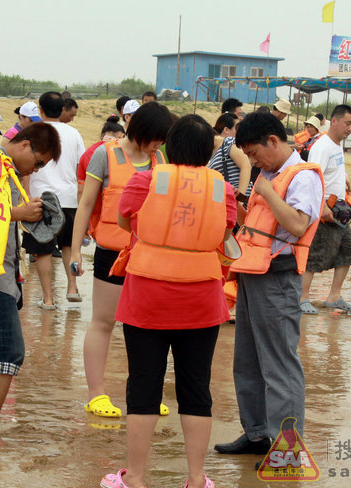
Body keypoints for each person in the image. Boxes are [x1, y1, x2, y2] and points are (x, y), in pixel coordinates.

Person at [101, 114, 235, 488]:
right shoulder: (220, 187)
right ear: (208, 152)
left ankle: (136, 478)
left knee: (143, 385)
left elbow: (125, 221)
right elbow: (226, 231)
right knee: (196, 388)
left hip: (148, 295)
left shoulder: (146, 178)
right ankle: (196, 478)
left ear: (170, 145)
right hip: (202, 297)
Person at [214, 112, 323, 462]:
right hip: (252, 272)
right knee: (246, 361)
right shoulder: (270, 173)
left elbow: (297, 223)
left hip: (278, 277)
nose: (253, 161)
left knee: (279, 364)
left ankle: (289, 450)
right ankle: (258, 433)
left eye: (254, 154)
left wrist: (263, 191)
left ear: (273, 141)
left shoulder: (301, 176)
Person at [71, 102, 173, 419]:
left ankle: (143, 394)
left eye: (162, 139)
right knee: (103, 322)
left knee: (147, 327)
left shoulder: (160, 159)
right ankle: (96, 394)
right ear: (140, 131)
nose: (158, 145)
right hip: (112, 254)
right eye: (155, 138)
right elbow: (86, 204)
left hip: (149, 255)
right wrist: (75, 250)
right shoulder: (106, 154)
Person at [0, 121, 61, 447]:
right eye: (39, 161)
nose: (37, 168)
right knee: (8, 350)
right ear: (24, 145)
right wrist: (18, 213)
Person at [22, 92, 85, 309]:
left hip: (41, 198)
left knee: (43, 250)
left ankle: (48, 300)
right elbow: (80, 168)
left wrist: (27, 198)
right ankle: (72, 288)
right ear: (63, 110)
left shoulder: (35, 132)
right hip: (69, 198)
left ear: (41, 109)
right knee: (69, 245)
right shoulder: (74, 133)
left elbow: (26, 168)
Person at [300, 105, 351, 314]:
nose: (350, 128)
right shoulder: (322, 146)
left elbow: (333, 170)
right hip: (325, 210)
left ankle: (334, 296)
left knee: (347, 252)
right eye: (347, 123)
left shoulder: (336, 145)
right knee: (315, 256)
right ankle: (302, 297)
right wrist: (322, 206)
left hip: (341, 209)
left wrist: (346, 180)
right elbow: (312, 176)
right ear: (334, 121)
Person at [77, 115, 125, 197]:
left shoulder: (87, 153)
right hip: (113, 206)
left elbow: (81, 190)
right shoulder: (122, 154)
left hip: (91, 208)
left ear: (101, 136)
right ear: (122, 136)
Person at [208, 113, 250, 202]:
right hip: (225, 201)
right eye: (237, 129)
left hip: (237, 202)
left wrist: (240, 199)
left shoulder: (229, 142)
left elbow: (246, 166)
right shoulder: (212, 152)